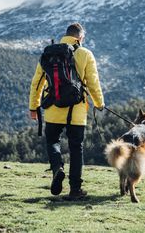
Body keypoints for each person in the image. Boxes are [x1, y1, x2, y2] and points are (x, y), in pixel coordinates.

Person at [29, 23, 104, 200]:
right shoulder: (85, 54)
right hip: (76, 111)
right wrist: (99, 103)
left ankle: (57, 168)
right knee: (76, 148)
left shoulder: (49, 53)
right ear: (80, 37)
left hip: (53, 108)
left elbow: (37, 82)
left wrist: (34, 107)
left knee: (53, 141)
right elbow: (93, 82)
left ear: (66, 35)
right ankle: (75, 190)